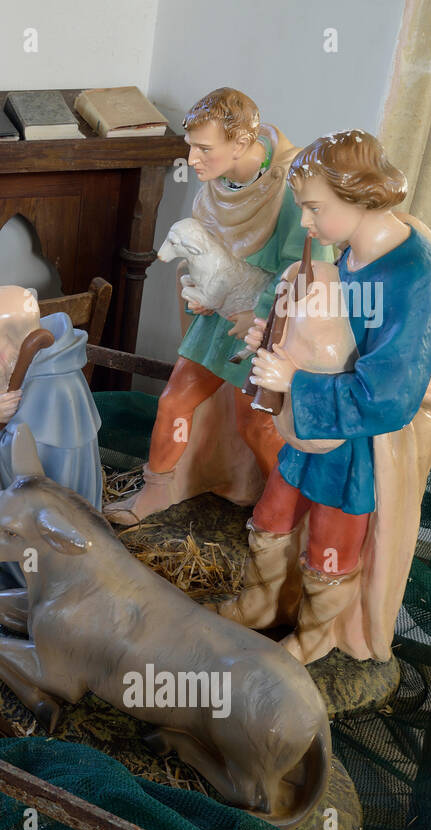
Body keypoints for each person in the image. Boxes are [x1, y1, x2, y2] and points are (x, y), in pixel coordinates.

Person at [217, 130, 431, 665]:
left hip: (357, 442)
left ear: (357, 198)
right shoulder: (349, 252)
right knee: (273, 516)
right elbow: (330, 331)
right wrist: (278, 339)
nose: (305, 224)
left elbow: (390, 394)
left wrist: (295, 382)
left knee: (332, 540)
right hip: (307, 428)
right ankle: (263, 603)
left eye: (313, 210)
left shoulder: (411, 273)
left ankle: (316, 632)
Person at [105, 88, 336, 525]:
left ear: (242, 144)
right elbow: (206, 248)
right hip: (219, 318)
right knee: (174, 401)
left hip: (271, 325)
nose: (192, 160)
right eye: (191, 146)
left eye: (204, 149)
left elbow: (307, 267)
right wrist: (204, 290)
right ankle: (156, 490)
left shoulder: (292, 186)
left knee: (257, 426)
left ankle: (283, 515)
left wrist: (262, 313)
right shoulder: (219, 184)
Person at [0, 285, 103, 583]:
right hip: (2, 472)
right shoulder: (16, 363)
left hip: (44, 514)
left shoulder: (55, 388)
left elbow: (34, 474)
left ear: (19, 339)